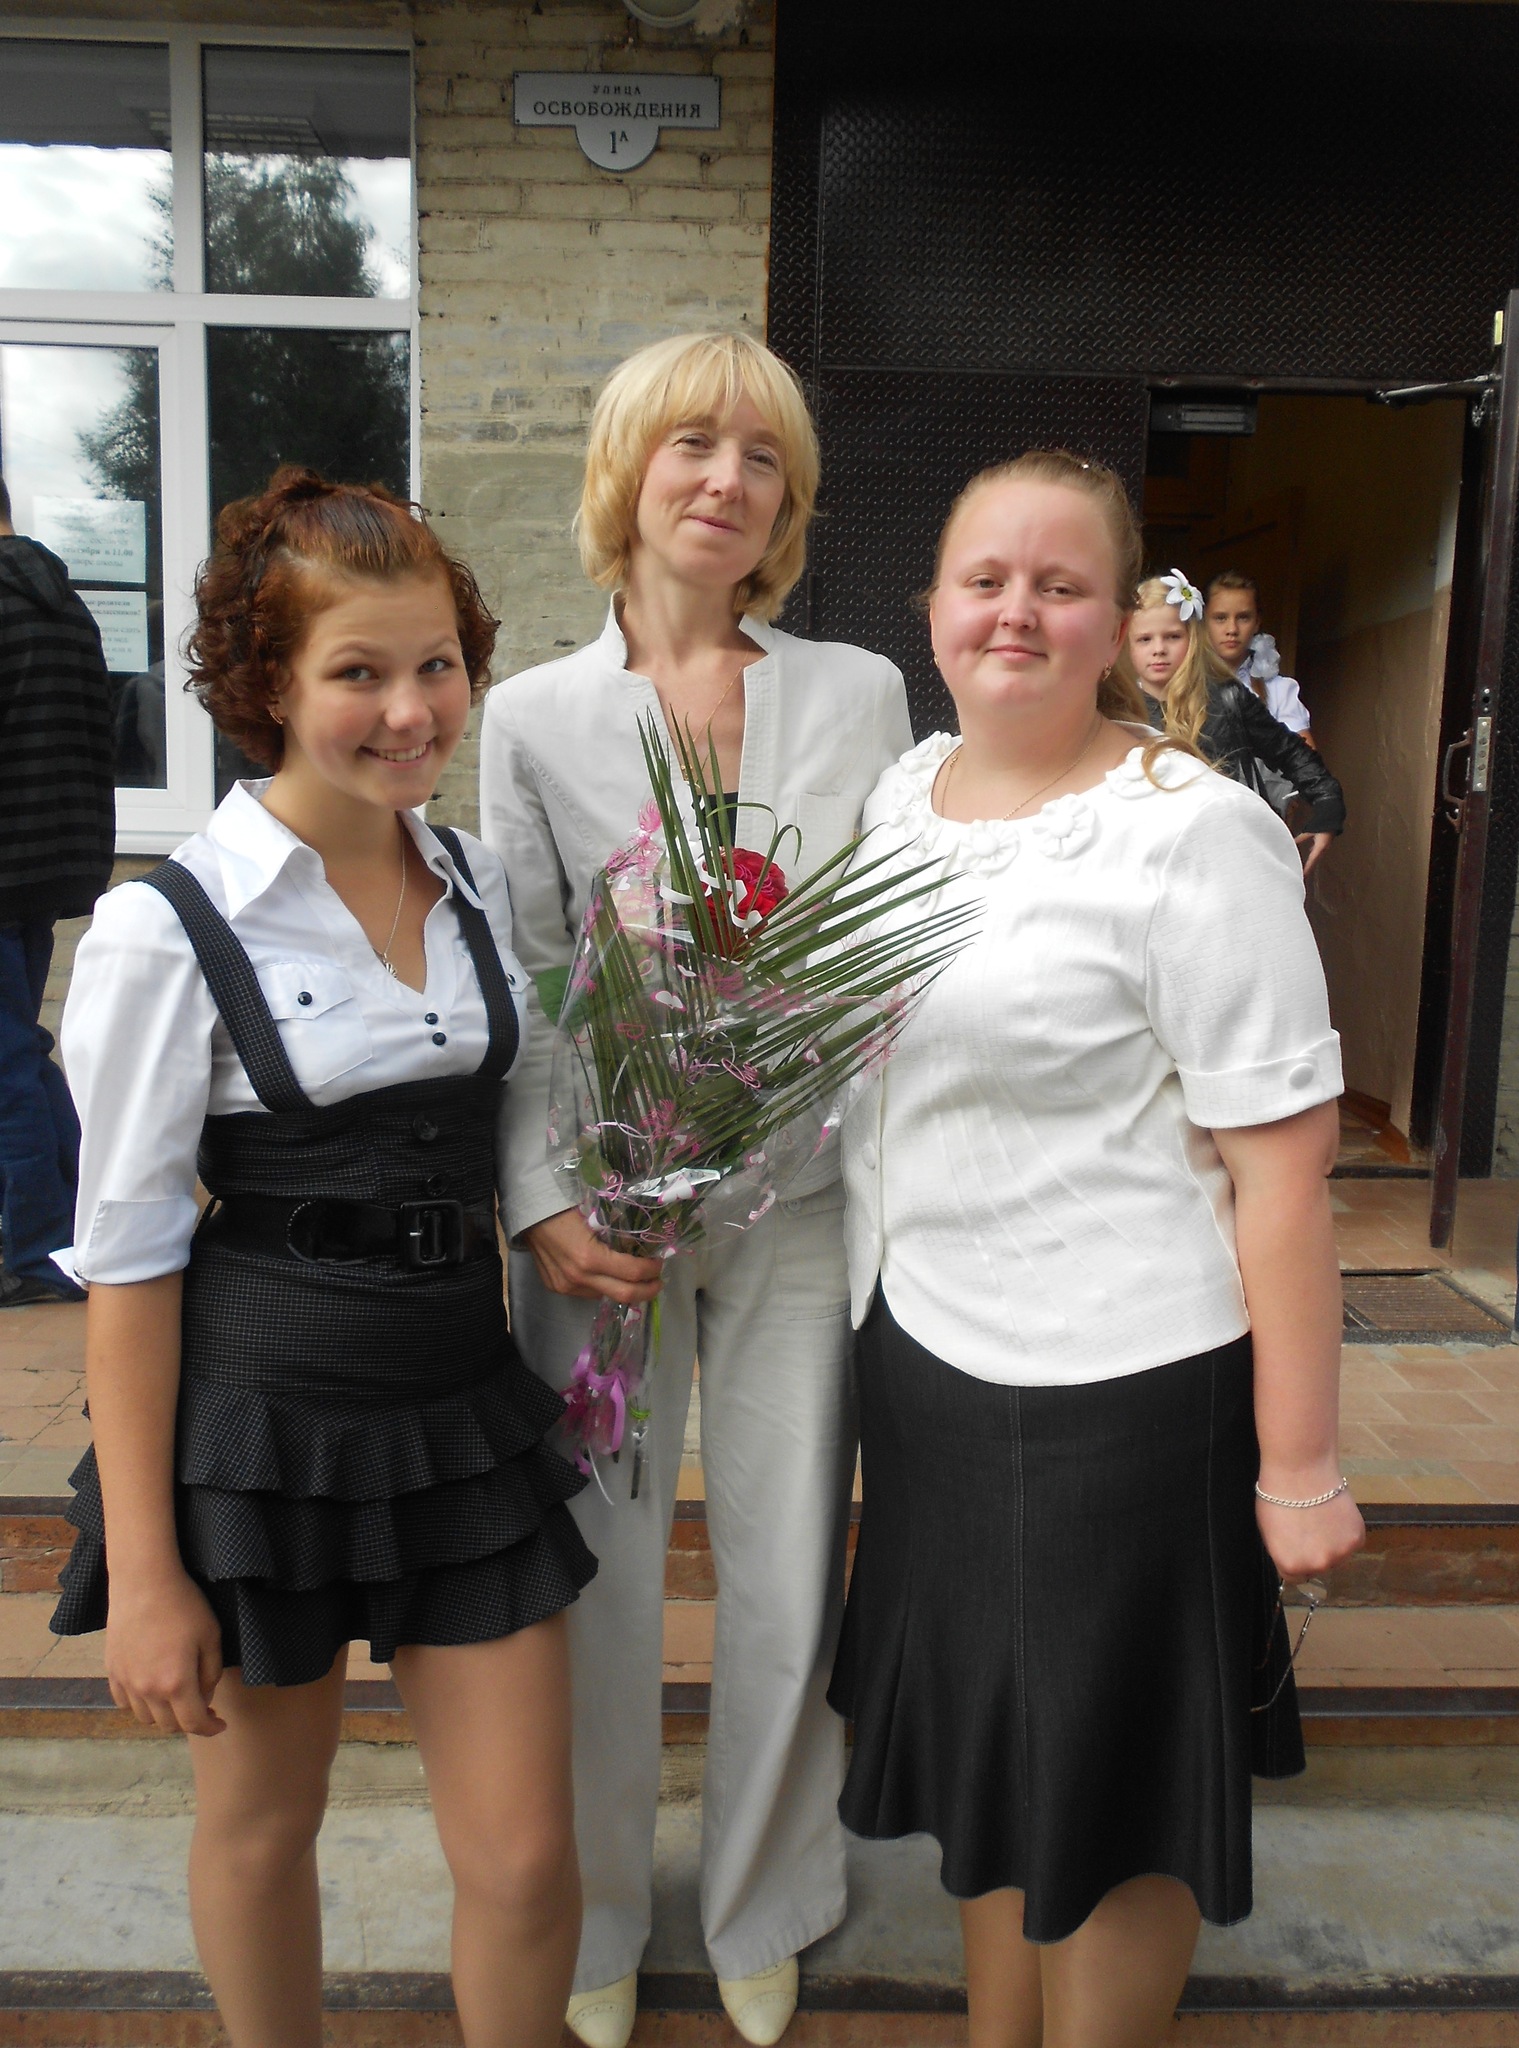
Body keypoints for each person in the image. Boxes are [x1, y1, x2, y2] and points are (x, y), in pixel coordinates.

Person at [49, 469, 596, 2048]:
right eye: (359, 671)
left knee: (525, 1859)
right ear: (269, 684)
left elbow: (520, 1109)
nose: (410, 710)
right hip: (260, 1425)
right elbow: (131, 1265)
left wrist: (565, 1207)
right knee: (262, 1824)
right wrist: (149, 1571)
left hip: (459, 1405)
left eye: (437, 664)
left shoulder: (478, 876)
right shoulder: (171, 925)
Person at [831, 451, 1364, 2048]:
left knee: (1113, 1797)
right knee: (996, 1770)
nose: (1018, 611)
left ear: (1120, 619)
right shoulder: (899, 798)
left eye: (1060, 585)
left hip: (1122, 1395)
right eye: (985, 579)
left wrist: (1300, 1465)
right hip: (924, 1363)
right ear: (931, 605)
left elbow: (1286, 1172)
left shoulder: (1195, 834)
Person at [480, 331, 913, 2048]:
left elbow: (885, 957)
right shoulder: (532, 716)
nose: (727, 481)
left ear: (789, 502)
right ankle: (592, 1908)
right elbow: (521, 976)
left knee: (791, 1562)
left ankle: (762, 1895)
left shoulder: (860, 693)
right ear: (627, 471)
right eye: (693, 446)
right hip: (607, 1230)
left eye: (763, 456)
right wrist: (540, 1203)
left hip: (800, 1204)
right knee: (593, 1571)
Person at [0, 473, 116, 1307]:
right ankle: (81, 1221)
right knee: (18, 1049)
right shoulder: (62, 604)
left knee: (5, 1060)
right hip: (44, 860)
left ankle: (37, 1247)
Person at [1124, 571, 1344, 874]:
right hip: (1145, 864)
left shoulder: (1227, 697)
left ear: (1193, 637)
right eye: (1145, 639)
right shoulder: (1115, 710)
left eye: (1173, 636)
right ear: (1127, 643)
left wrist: (1327, 802)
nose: (1159, 648)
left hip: (1223, 856)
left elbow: (1291, 751)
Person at [1204, 570, 1316, 742]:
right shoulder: (1184, 685)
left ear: (1257, 622)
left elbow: (1305, 756)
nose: (1232, 629)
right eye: (1220, 618)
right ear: (1203, 621)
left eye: (1243, 618)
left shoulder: (1279, 690)